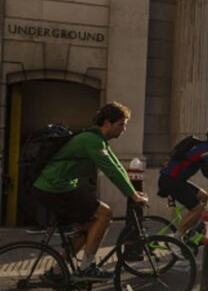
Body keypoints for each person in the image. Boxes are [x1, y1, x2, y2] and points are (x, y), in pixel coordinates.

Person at [33, 102, 149, 281]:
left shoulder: (98, 140)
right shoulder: (92, 140)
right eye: (121, 125)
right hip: (54, 187)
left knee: (88, 229)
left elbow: (117, 166)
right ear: (107, 124)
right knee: (105, 214)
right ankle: (87, 267)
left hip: (58, 187)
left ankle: (56, 272)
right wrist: (132, 195)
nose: (123, 130)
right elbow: (110, 170)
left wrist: (133, 192)